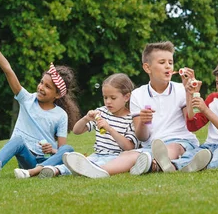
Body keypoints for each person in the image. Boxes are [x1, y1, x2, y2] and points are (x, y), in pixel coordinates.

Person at [63, 41, 200, 178]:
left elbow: (191, 122)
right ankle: (98, 170)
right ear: (147, 68)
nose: (168, 66)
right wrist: (144, 122)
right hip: (150, 147)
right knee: (128, 155)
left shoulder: (181, 89)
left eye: (170, 62)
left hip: (181, 142)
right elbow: (142, 136)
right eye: (162, 62)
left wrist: (189, 93)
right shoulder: (138, 95)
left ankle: (156, 163)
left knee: (171, 148)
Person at [0, 24, 80, 182]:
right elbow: (8, 70)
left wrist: (52, 149)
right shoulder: (27, 99)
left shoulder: (60, 115)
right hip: (28, 161)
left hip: (45, 162)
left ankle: (37, 172)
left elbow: (60, 151)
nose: (41, 87)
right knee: (17, 140)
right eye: (41, 82)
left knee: (68, 149)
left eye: (47, 87)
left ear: (57, 94)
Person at [139, 56, 218, 173]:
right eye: (217, 83)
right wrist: (189, 94)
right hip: (209, 146)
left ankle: (182, 166)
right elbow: (193, 126)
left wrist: (206, 110)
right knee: (192, 153)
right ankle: (166, 166)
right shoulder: (213, 99)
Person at [35, 73, 138, 178]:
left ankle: (77, 170)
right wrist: (86, 119)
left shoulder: (132, 118)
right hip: (97, 154)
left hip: (116, 158)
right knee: (84, 162)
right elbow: (76, 131)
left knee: (92, 165)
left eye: (113, 98)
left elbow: (129, 147)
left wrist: (109, 129)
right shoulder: (101, 113)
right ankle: (56, 170)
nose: (108, 102)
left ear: (126, 97)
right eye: (105, 97)